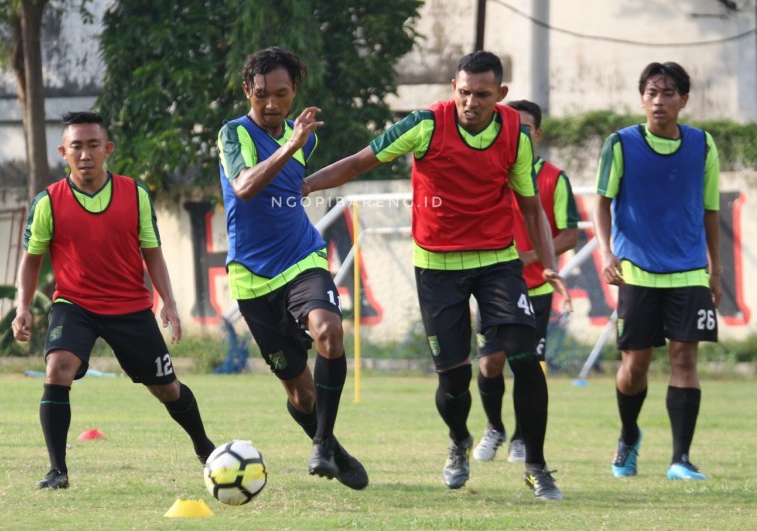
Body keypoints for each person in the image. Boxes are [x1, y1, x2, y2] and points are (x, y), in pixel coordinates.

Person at [305, 51, 571, 500]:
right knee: (453, 383)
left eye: (481, 95)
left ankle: (537, 467)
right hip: (438, 267)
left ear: (500, 95)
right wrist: (307, 183)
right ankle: (458, 442)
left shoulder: (514, 133)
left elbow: (530, 207)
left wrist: (547, 263)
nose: (470, 102)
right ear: (454, 88)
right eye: (463, 92)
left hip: (497, 262)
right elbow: (358, 161)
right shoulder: (425, 124)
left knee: (524, 356)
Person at [11, 111, 217, 489]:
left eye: (93, 146)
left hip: (131, 308)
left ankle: (205, 447)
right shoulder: (48, 202)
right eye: (77, 146)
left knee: (167, 388)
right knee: (57, 369)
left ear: (108, 149)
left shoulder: (134, 194)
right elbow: (31, 261)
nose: (85, 154)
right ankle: (58, 471)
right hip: (74, 305)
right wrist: (22, 306)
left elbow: (152, 252)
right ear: (63, 152)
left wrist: (167, 301)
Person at [216, 47, 367, 490]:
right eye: (261, 94)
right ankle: (333, 447)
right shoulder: (233, 134)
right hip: (253, 278)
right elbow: (244, 186)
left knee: (329, 331)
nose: (270, 104)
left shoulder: (305, 138)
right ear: (248, 90)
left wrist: (303, 166)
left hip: (302, 259)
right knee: (300, 394)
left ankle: (320, 444)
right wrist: (290, 146)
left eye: (280, 94)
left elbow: (303, 178)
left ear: (294, 91)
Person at [592, 62, 722, 481]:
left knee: (685, 359)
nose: (658, 101)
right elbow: (601, 202)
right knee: (636, 367)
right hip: (637, 272)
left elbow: (710, 211)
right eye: (651, 92)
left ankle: (680, 459)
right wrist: (608, 254)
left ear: (684, 99)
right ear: (641, 97)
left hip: (688, 270)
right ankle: (629, 436)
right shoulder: (620, 144)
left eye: (668, 93)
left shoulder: (703, 145)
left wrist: (715, 270)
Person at [472, 99, 579, 465]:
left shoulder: (553, 178)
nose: (519, 132)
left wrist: (531, 256)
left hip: (534, 289)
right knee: (489, 364)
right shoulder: (489, 170)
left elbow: (568, 235)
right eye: (512, 125)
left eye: (526, 127)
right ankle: (494, 428)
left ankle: (521, 437)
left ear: (537, 133)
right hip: (490, 284)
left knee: (526, 365)